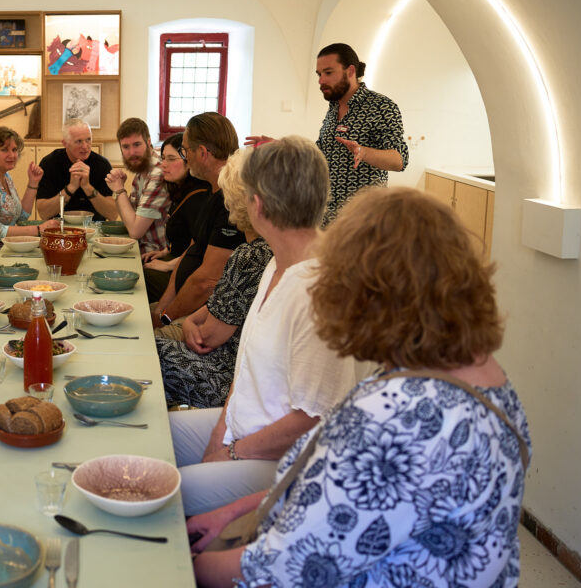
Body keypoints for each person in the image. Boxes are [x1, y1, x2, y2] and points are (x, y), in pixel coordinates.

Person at [189, 187, 531, 588]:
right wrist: (233, 512)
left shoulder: (393, 417)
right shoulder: (485, 380)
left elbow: (282, 570)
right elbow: (335, 496)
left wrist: (182, 564)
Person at [168, 136, 360, 516]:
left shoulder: (321, 288)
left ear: (256, 205)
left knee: (167, 494)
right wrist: (220, 435)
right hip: (245, 424)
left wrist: (230, 453)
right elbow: (246, 368)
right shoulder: (277, 262)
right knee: (148, 436)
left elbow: (312, 419)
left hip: (287, 460)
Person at [156, 149, 272, 409]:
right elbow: (218, 305)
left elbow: (207, 338)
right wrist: (191, 322)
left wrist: (190, 326)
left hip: (226, 376)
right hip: (246, 373)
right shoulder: (271, 247)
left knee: (147, 352)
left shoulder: (250, 256)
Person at [246, 43, 408, 223]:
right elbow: (319, 154)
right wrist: (281, 147)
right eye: (319, 74)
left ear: (350, 71)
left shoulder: (381, 106)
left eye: (328, 73)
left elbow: (399, 160)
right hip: (327, 219)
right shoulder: (333, 109)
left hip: (364, 222)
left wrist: (363, 152)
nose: (321, 81)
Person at [153, 112, 244, 334]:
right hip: (179, 309)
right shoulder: (212, 192)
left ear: (202, 153)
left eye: (185, 151)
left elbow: (207, 282)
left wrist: (165, 317)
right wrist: (163, 307)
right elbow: (191, 252)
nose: (185, 157)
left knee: (139, 344)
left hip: (201, 318)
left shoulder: (231, 202)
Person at [142, 132, 211, 303]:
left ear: (189, 162)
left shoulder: (199, 197)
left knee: (139, 278)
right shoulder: (181, 191)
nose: (163, 164)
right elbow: (184, 236)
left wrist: (167, 265)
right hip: (177, 261)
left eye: (171, 159)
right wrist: (165, 252)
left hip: (188, 272)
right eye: (163, 158)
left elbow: (201, 249)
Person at [0, 126, 60, 244]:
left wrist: (33, 182)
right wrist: (38, 229)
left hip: (9, 246)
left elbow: (21, 217)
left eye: (14, 150)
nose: (12, 155)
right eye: (4, 150)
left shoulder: (6, 177)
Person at [105, 117, 169, 253]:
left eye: (137, 144)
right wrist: (119, 189)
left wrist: (119, 190)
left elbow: (135, 231)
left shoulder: (159, 173)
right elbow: (128, 220)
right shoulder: (141, 171)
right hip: (139, 250)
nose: (132, 153)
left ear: (149, 142)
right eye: (126, 147)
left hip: (154, 255)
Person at [36, 119, 118, 221]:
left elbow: (112, 214)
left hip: (95, 227)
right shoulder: (50, 163)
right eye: (79, 141)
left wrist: (87, 187)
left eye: (88, 140)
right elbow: (44, 213)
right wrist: (71, 187)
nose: (85, 146)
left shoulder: (102, 165)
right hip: (58, 227)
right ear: (65, 143)